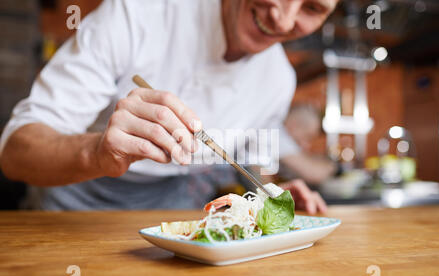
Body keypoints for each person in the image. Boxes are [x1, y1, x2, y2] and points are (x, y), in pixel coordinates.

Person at [0, 0, 338, 213]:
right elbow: (15, 154)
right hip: (70, 208)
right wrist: (97, 153)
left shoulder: (279, 79)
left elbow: (248, 160)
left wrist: (269, 195)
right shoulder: (136, 14)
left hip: (173, 216)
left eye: (312, 8)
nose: (282, 19)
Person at [279, 104, 338, 185]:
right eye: (307, 137)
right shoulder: (278, 135)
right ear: (294, 125)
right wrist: (335, 167)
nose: (307, 145)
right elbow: (314, 174)